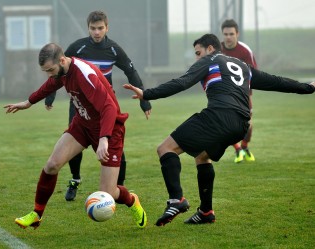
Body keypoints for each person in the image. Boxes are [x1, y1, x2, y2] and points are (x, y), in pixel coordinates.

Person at [124, 34, 315, 226]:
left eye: (198, 53)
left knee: (165, 148)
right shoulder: (242, 66)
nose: (197, 58)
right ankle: (206, 212)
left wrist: (147, 94)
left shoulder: (209, 60)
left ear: (209, 49)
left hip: (219, 116)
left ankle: (176, 200)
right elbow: (275, 81)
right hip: (241, 125)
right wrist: (307, 87)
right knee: (202, 156)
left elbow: (182, 82)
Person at [4, 43, 147, 229]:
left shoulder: (84, 74)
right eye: (46, 71)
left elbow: (109, 107)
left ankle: (132, 200)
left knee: (109, 192)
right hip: (83, 125)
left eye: (50, 69)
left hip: (109, 129)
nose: (49, 74)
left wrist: (104, 138)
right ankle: (36, 214)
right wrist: (29, 102)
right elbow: (51, 84)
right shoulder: (61, 71)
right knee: (52, 165)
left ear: (62, 60)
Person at [45, 10, 152, 201]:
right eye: (93, 28)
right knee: (72, 145)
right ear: (88, 28)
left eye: (100, 28)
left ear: (107, 28)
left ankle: (117, 189)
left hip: (104, 108)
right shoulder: (77, 48)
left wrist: (145, 100)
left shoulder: (113, 49)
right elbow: (58, 71)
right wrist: (50, 96)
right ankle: (75, 179)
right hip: (79, 106)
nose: (96, 32)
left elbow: (131, 71)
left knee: (116, 150)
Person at [221, 19, 257, 163]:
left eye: (231, 34)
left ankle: (244, 147)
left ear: (237, 34)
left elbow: (253, 74)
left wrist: (247, 92)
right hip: (224, 95)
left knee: (248, 126)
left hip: (243, 94)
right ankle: (237, 150)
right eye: (225, 34)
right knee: (227, 125)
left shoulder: (245, 51)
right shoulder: (217, 51)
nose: (228, 37)